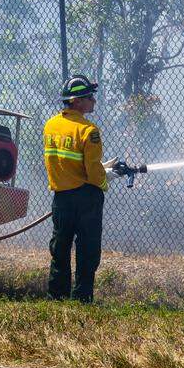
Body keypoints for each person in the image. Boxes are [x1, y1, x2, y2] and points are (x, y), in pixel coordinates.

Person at [43, 74, 115, 302]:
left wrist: (99, 170)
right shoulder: (89, 131)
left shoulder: (51, 126)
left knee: (60, 247)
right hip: (87, 199)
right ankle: (82, 298)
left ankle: (57, 296)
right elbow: (92, 171)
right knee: (87, 249)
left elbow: (68, 163)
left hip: (61, 198)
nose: (93, 101)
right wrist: (105, 181)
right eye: (88, 97)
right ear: (76, 101)